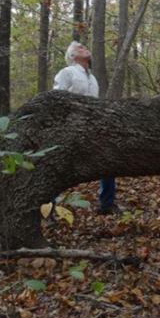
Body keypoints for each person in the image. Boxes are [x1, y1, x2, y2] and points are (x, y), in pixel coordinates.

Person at [53, 41, 119, 214]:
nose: (85, 48)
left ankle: (107, 204)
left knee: (107, 163)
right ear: (73, 56)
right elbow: (56, 100)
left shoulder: (92, 77)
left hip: (93, 128)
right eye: (80, 48)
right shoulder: (67, 73)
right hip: (71, 128)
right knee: (58, 168)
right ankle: (49, 209)